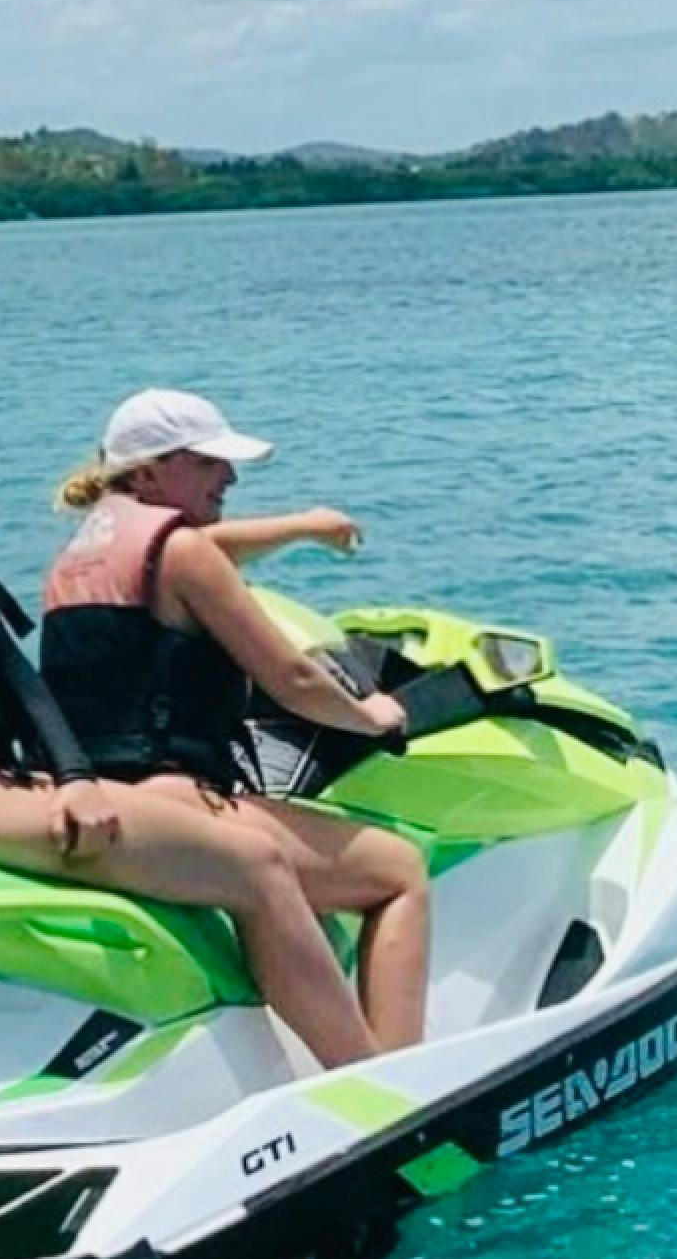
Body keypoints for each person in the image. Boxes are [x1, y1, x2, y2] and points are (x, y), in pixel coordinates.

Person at [0, 295, 405, 1070]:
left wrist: (71, 776)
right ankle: (372, 1081)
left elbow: (2, 660)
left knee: (224, 851)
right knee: (256, 865)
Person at [43, 388, 429, 1053]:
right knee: (399, 873)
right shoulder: (182, 554)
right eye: (207, 462)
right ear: (149, 474)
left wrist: (304, 527)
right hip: (178, 801)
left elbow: (206, 549)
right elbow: (295, 680)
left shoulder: (80, 555)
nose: (229, 476)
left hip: (104, 802)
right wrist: (372, 716)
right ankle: (395, 1079)